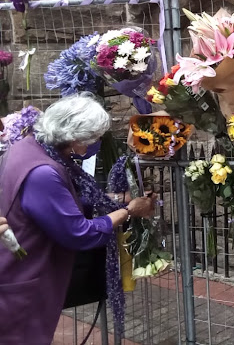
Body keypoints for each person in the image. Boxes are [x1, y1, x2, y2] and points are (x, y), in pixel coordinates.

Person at [0, 93, 155, 344]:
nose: (93, 144)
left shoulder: (29, 148)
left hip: (19, 269)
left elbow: (59, 203)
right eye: (92, 138)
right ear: (73, 138)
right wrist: (129, 211)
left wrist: (119, 198)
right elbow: (79, 232)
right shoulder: (43, 172)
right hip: (25, 278)